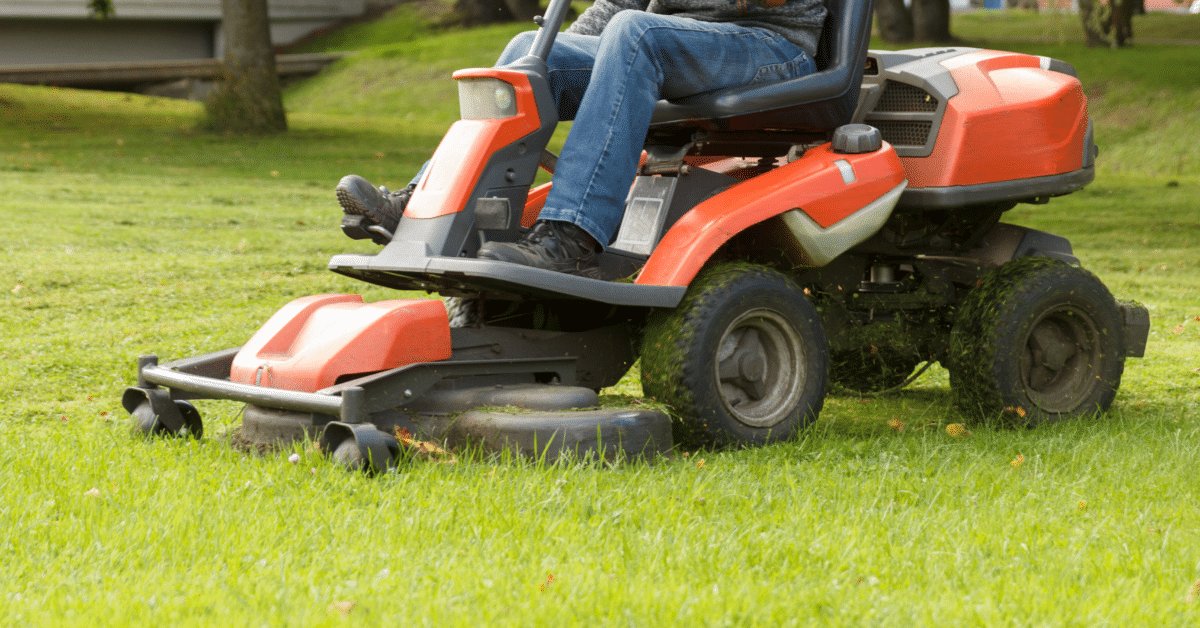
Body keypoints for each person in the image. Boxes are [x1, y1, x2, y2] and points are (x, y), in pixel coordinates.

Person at [337, 0, 827, 275]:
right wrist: (563, 52)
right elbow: (616, 7)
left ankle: (572, 234)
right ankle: (431, 203)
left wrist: (619, 42)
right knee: (531, 49)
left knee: (636, 33)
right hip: (681, 39)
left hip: (771, 42)